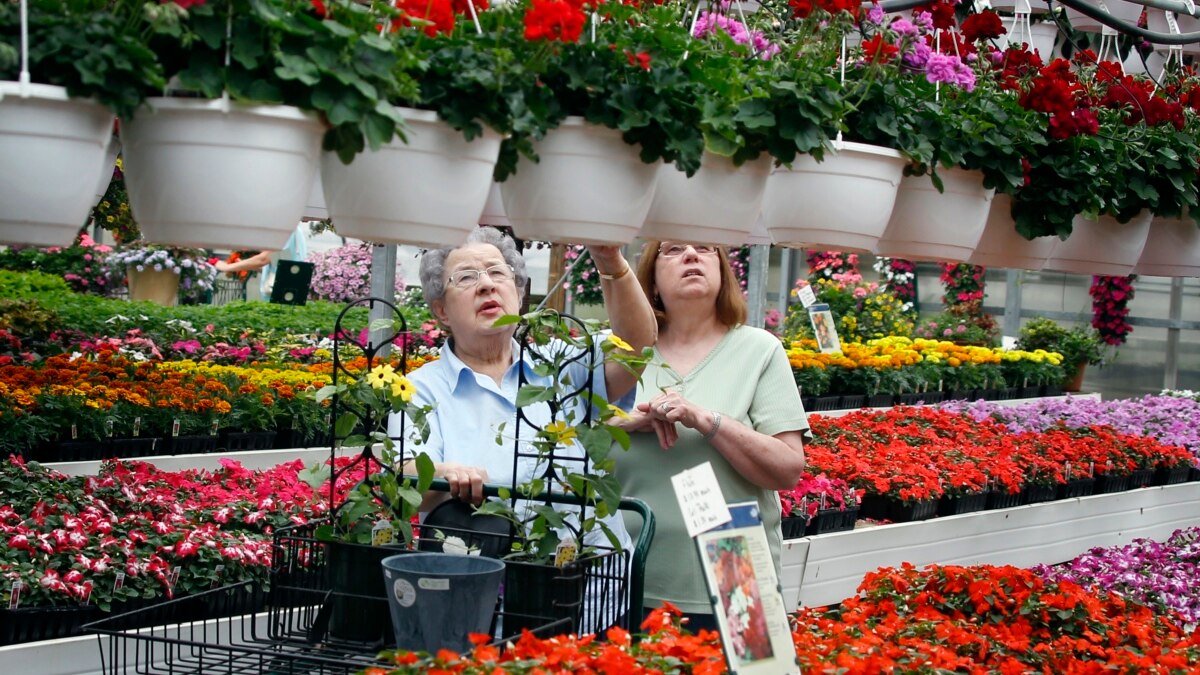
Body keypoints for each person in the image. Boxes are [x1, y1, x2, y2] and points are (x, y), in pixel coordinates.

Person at [387, 227, 656, 625]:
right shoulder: (421, 388)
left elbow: (635, 349)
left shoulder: (562, 364)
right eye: (466, 277)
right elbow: (404, 475)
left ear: (518, 291)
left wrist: (610, 260)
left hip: (590, 588)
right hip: (483, 601)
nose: (485, 286)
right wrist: (443, 473)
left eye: (498, 273)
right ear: (441, 310)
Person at [613, 240, 808, 632]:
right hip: (625, 574)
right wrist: (624, 423)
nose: (691, 255)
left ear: (723, 273)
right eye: (672, 250)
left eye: (705, 248)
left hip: (737, 566)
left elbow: (789, 469)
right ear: (649, 279)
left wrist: (707, 419)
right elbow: (562, 443)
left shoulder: (759, 350)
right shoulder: (617, 351)